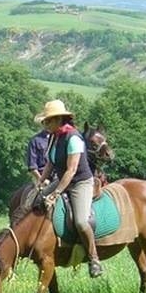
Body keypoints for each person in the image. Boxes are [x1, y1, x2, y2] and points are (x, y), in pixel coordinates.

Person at [35, 100, 103, 278]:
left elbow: (72, 170)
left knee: (81, 221)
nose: (45, 124)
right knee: (35, 200)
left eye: (48, 121)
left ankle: (94, 258)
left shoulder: (74, 138)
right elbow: (51, 162)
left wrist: (56, 193)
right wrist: (42, 181)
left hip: (80, 182)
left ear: (59, 119)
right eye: (45, 121)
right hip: (61, 179)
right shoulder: (53, 137)